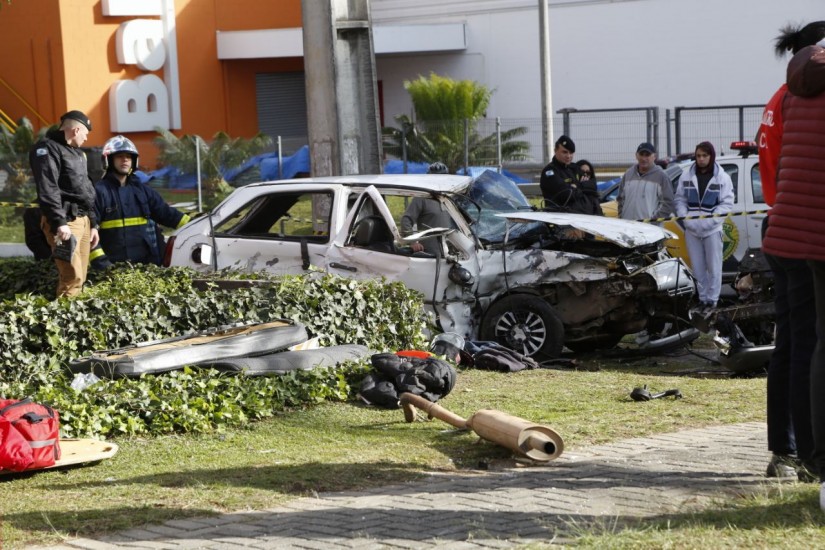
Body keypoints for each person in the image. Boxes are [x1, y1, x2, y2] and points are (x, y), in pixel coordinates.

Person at [756, 22, 824, 482]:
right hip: (804, 230)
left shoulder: (780, 97)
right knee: (808, 346)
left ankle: (783, 449)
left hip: (779, 225)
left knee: (789, 345)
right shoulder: (802, 99)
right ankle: (806, 453)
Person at [90, 135, 191, 268]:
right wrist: (104, 265)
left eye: (129, 156)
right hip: (113, 268)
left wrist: (196, 223)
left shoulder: (143, 191)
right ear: (108, 160)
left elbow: (167, 214)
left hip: (147, 265)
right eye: (120, 156)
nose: (125, 160)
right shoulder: (99, 192)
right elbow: (89, 233)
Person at [29, 110, 99, 298]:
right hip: (66, 220)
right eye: (85, 134)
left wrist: (93, 223)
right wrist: (59, 222)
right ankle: (65, 315)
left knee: (81, 277)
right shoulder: (46, 149)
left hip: (83, 219)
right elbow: (48, 187)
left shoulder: (77, 153)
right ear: (76, 131)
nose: (86, 139)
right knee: (72, 277)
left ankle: (75, 313)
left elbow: (85, 189)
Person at [673, 141, 733, 310]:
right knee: (697, 268)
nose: (701, 159)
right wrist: (686, 219)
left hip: (712, 230)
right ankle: (703, 299)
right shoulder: (686, 175)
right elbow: (680, 199)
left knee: (714, 267)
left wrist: (710, 221)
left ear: (711, 156)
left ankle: (712, 301)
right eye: (698, 156)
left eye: (704, 156)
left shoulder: (722, 177)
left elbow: (727, 204)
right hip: (691, 230)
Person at [400, 161, 453, 255]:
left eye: (442, 178)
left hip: (451, 254)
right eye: (435, 178)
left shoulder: (450, 198)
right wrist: (413, 242)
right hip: (429, 256)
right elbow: (406, 220)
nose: (439, 182)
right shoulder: (421, 197)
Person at [539, 135, 601, 215]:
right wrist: (581, 187)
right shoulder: (550, 172)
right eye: (564, 152)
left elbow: (592, 185)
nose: (568, 156)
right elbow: (566, 194)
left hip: (581, 216)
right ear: (555, 151)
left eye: (571, 153)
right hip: (559, 217)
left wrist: (576, 186)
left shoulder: (574, 168)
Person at [617, 142, 675, 222]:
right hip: (627, 226)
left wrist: (652, 222)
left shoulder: (661, 176)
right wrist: (622, 217)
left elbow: (668, 203)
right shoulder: (628, 174)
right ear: (636, 155)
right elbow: (620, 199)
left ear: (654, 156)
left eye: (647, 155)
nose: (644, 158)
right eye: (641, 154)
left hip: (648, 228)